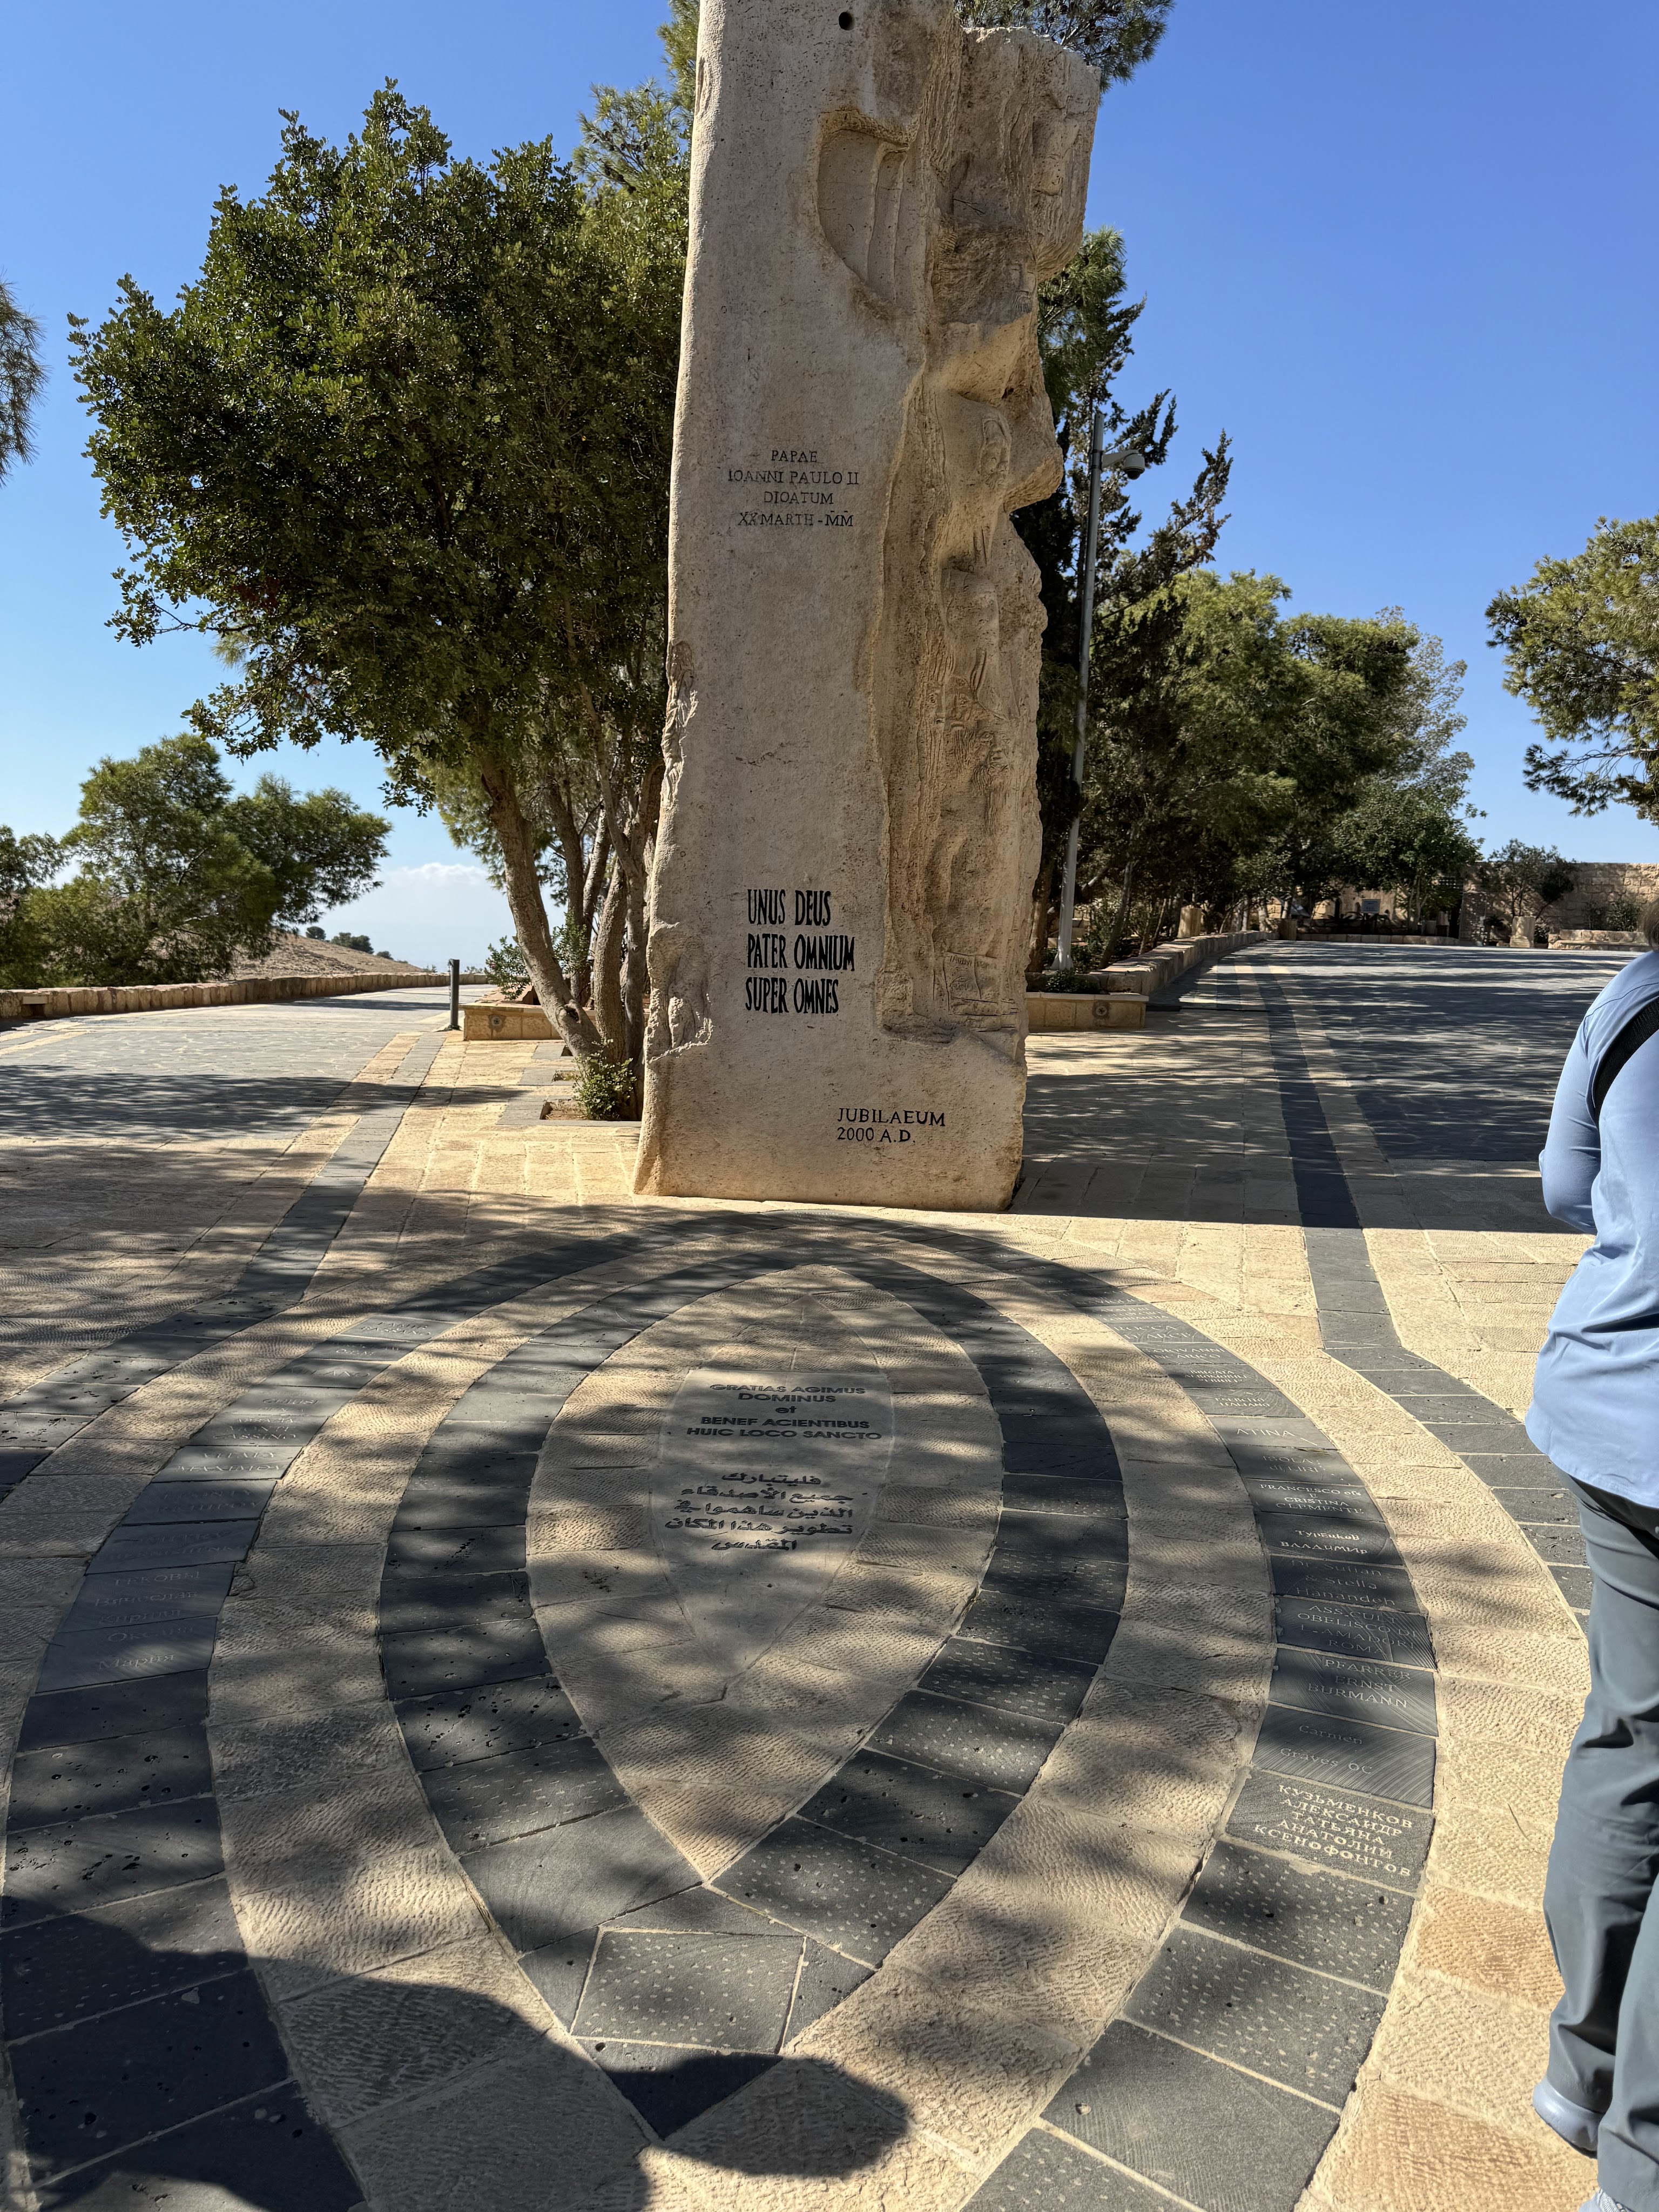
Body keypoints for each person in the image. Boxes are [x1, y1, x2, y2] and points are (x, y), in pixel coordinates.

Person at [1527, 896, 1659, 2212]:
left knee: (1631, 1730)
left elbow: (1567, 1187)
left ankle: (1584, 2069)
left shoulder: (1636, 988)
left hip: (1610, 1398)